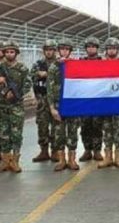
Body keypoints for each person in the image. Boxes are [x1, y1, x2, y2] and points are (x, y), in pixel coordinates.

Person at [0, 41, 31, 173]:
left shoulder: (22, 68)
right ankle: (5, 161)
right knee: (3, 134)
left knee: (16, 134)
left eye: (12, 52)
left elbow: (28, 84)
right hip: (1, 106)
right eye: (6, 52)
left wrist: (16, 93)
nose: (9, 54)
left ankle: (15, 161)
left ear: (16, 53)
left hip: (16, 106)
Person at [47, 39, 81, 172]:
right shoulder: (54, 67)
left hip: (72, 105)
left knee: (72, 132)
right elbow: (49, 89)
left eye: (67, 49)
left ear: (70, 51)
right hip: (58, 104)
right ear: (59, 50)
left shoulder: (75, 65)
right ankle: (62, 160)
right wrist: (51, 108)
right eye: (62, 49)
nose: (64, 51)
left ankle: (72, 159)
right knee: (59, 134)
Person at [98, 37, 119, 169]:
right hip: (105, 103)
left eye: (114, 48)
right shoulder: (100, 64)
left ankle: (118, 156)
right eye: (109, 48)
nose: (112, 50)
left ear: (118, 49)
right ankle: (108, 156)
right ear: (106, 50)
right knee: (107, 129)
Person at [30, 39, 58, 163]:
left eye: (51, 49)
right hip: (42, 100)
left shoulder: (58, 64)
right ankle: (44, 151)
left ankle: (56, 151)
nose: (49, 52)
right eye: (47, 50)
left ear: (55, 51)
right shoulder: (38, 64)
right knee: (42, 126)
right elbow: (31, 75)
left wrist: (47, 74)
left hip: (55, 101)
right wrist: (38, 74)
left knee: (56, 127)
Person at [78, 37, 104, 163]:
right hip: (85, 100)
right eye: (89, 46)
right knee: (85, 126)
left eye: (93, 46)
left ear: (97, 48)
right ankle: (87, 150)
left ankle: (97, 150)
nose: (91, 48)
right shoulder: (80, 62)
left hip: (98, 100)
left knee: (97, 126)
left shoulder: (103, 62)